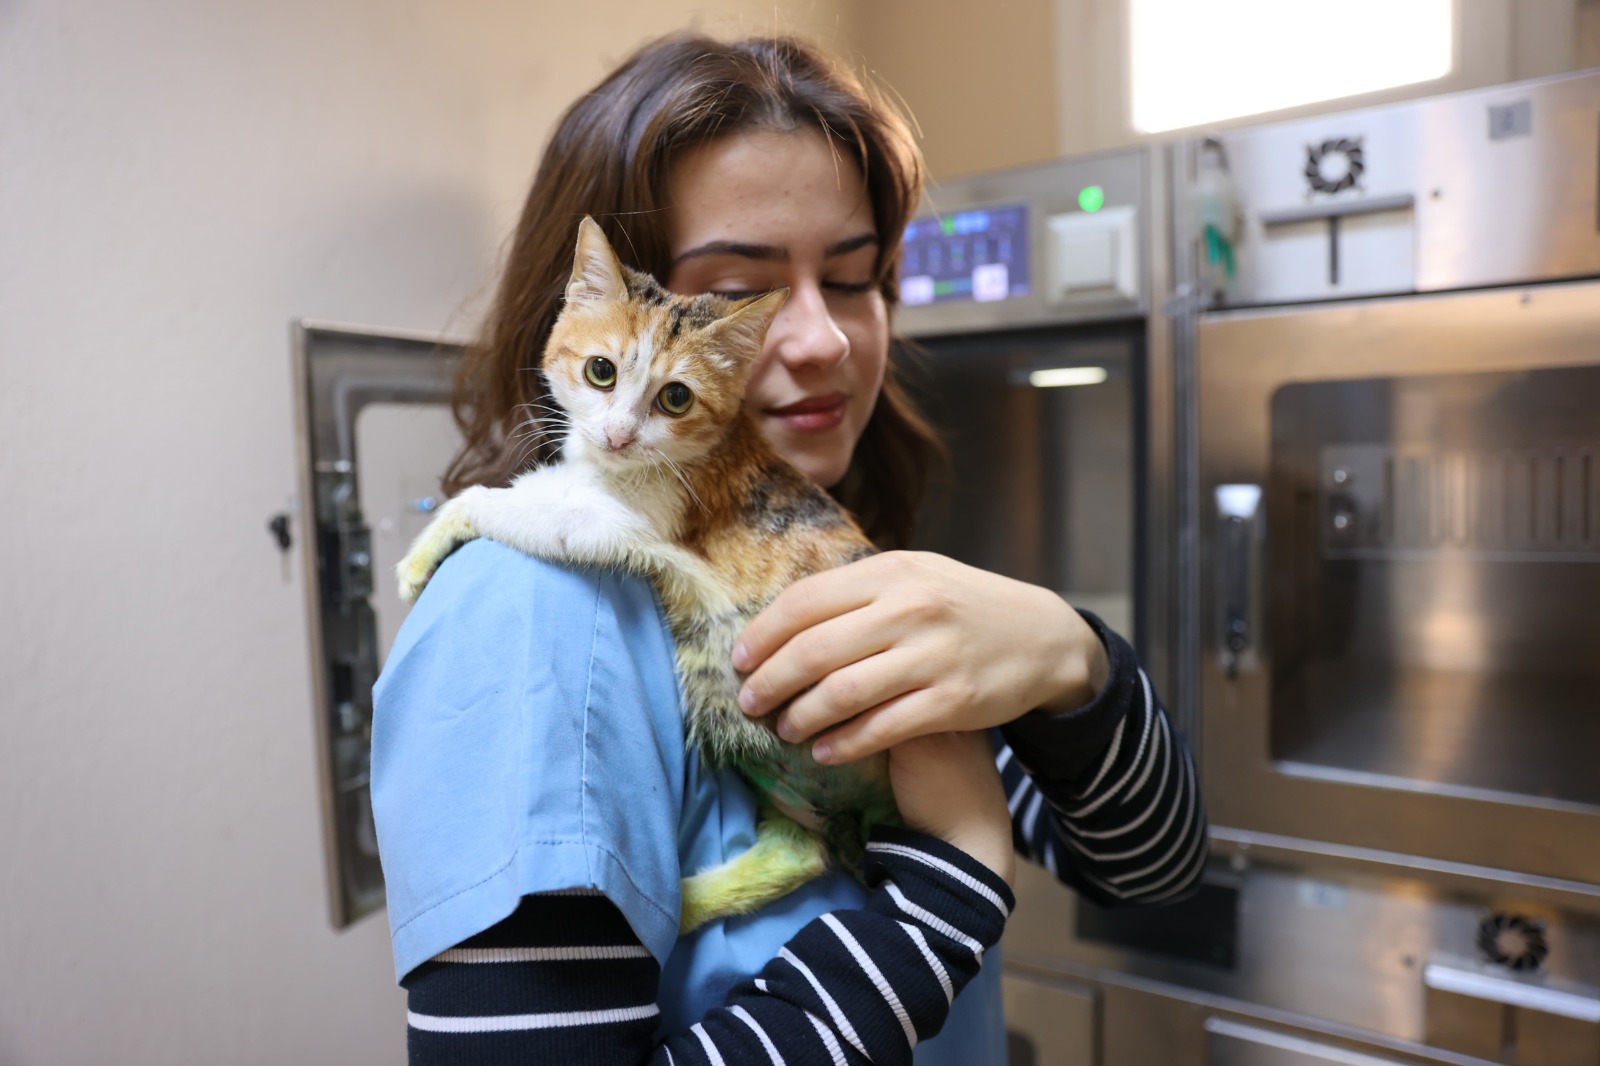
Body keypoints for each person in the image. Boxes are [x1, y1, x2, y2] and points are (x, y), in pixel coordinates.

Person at [371, 30, 1207, 1066]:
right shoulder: (534, 614)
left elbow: (1150, 868)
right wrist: (939, 904)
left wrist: (1075, 659)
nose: (824, 340)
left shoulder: (812, 549)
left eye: (853, 279)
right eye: (735, 295)